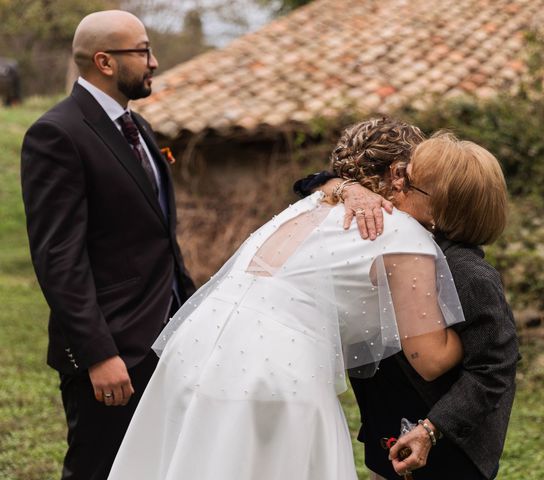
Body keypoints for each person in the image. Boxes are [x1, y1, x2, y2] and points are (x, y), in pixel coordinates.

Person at [106, 118, 466, 479]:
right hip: (275, 375)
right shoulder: (400, 232)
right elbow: (429, 358)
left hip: (193, 351)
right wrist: (487, 339)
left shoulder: (312, 204)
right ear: (398, 174)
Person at [20, 10, 195, 480]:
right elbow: (59, 258)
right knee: (100, 469)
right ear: (105, 61)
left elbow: (158, 238)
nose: (154, 62)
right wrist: (99, 354)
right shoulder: (58, 134)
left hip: (164, 337)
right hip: (113, 350)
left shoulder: (140, 130)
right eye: (142, 51)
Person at [300, 130, 519, 479]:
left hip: (444, 449)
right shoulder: (399, 242)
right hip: (389, 429)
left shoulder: (470, 274)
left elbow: (494, 370)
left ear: (442, 206)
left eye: (409, 183)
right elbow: (311, 185)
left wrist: (431, 429)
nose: (395, 186)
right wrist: (349, 187)